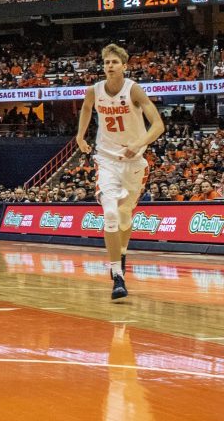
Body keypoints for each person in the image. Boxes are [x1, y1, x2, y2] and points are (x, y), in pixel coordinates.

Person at [75, 44, 165, 301]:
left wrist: (139, 143)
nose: (110, 66)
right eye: (106, 62)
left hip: (134, 161)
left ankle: (121, 252)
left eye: (115, 62)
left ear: (125, 66)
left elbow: (158, 124)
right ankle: (118, 275)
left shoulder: (133, 89)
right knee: (111, 213)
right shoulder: (94, 90)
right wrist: (80, 136)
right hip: (107, 159)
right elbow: (86, 108)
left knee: (125, 217)